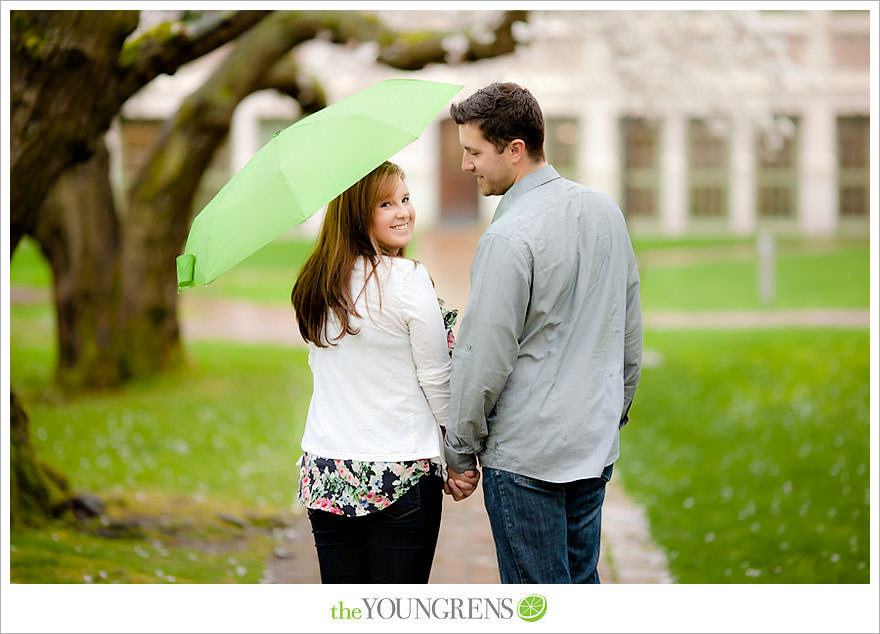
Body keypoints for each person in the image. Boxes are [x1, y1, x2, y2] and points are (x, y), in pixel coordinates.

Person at [443, 83, 643, 584]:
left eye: (473, 152)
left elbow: (483, 356)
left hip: (527, 456)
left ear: (515, 150)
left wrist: (460, 449)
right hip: (592, 444)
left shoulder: (508, 237)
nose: (466, 165)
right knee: (580, 584)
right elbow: (629, 333)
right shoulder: (606, 213)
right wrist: (612, 410)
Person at [291, 161, 471, 584]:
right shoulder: (408, 279)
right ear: (357, 213)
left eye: (405, 199)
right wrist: (458, 460)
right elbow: (437, 380)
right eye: (386, 204)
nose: (404, 211)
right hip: (399, 469)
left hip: (327, 470)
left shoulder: (316, 285)